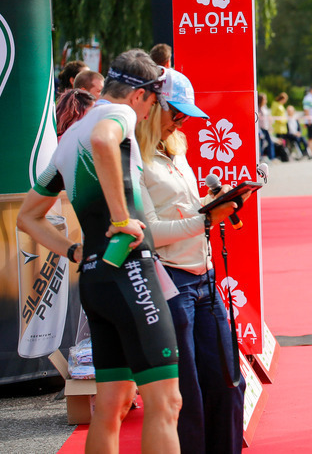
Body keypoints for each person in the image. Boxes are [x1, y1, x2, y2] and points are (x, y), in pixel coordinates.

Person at [16, 49, 182, 453]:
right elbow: (104, 140)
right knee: (167, 402)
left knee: (112, 405)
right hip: (129, 270)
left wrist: (73, 251)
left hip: (95, 276)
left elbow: (27, 218)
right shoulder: (118, 114)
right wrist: (123, 219)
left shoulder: (69, 136)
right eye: (154, 104)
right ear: (140, 95)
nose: (149, 115)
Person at [136, 68, 247, 454]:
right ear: (151, 105)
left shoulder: (176, 150)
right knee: (189, 392)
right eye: (176, 112)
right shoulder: (134, 157)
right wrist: (205, 218)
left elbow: (183, 212)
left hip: (204, 277)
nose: (182, 122)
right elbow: (149, 230)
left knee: (229, 380)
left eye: (185, 115)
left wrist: (218, 204)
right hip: (171, 283)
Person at [257, 93, 275, 161]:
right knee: (261, 142)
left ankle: (272, 157)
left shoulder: (265, 107)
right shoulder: (258, 108)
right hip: (261, 127)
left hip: (266, 127)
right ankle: (260, 157)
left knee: (270, 142)